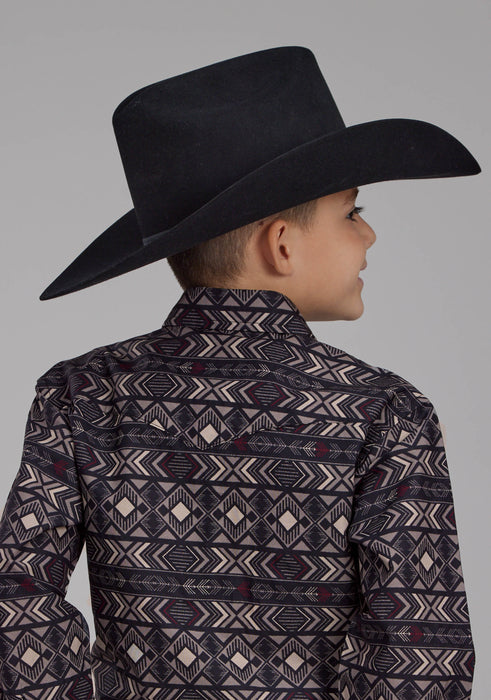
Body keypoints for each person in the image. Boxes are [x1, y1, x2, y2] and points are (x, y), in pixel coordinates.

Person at [0, 46, 479, 699]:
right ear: (281, 245)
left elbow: (18, 596)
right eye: (352, 213)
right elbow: (420, 656)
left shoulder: (81, 393)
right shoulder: (385, 413)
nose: (368, 236)